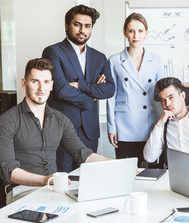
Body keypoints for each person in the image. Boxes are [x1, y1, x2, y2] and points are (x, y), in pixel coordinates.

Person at [0, 58, 111, 204]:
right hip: (22, 192)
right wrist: (45, 180)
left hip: (55, 191)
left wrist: (120, 164)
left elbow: (83, 154)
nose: (41, 88)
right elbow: (9, 171)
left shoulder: (60, 119)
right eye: (35, 81)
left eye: (46, 82)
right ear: (24, 83)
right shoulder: (8, 120)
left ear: (52, 85)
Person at [42, 5, 115, 172]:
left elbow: (110, 89)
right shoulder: (53, 52)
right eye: (77, 24)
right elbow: (60, 89)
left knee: (87, 180)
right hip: (62, 129)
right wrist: (93, 93)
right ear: (67, 26)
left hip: (90, 131)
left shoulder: (99, 57)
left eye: (87, 26)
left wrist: (79, 85)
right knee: (63, 180)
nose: (83, 30)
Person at [106, 13, 163, 167]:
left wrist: (182, 85)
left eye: (140, 31)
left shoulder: (156, 60)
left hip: (149, 122)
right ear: (124, 33)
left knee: (149, 172)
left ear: (146, 33)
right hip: (124, 125)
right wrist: (111, 127)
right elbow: (111, 96)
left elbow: (161, 91)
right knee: (126, 172)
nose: (135, 35)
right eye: (131, 31)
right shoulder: (114, 60)